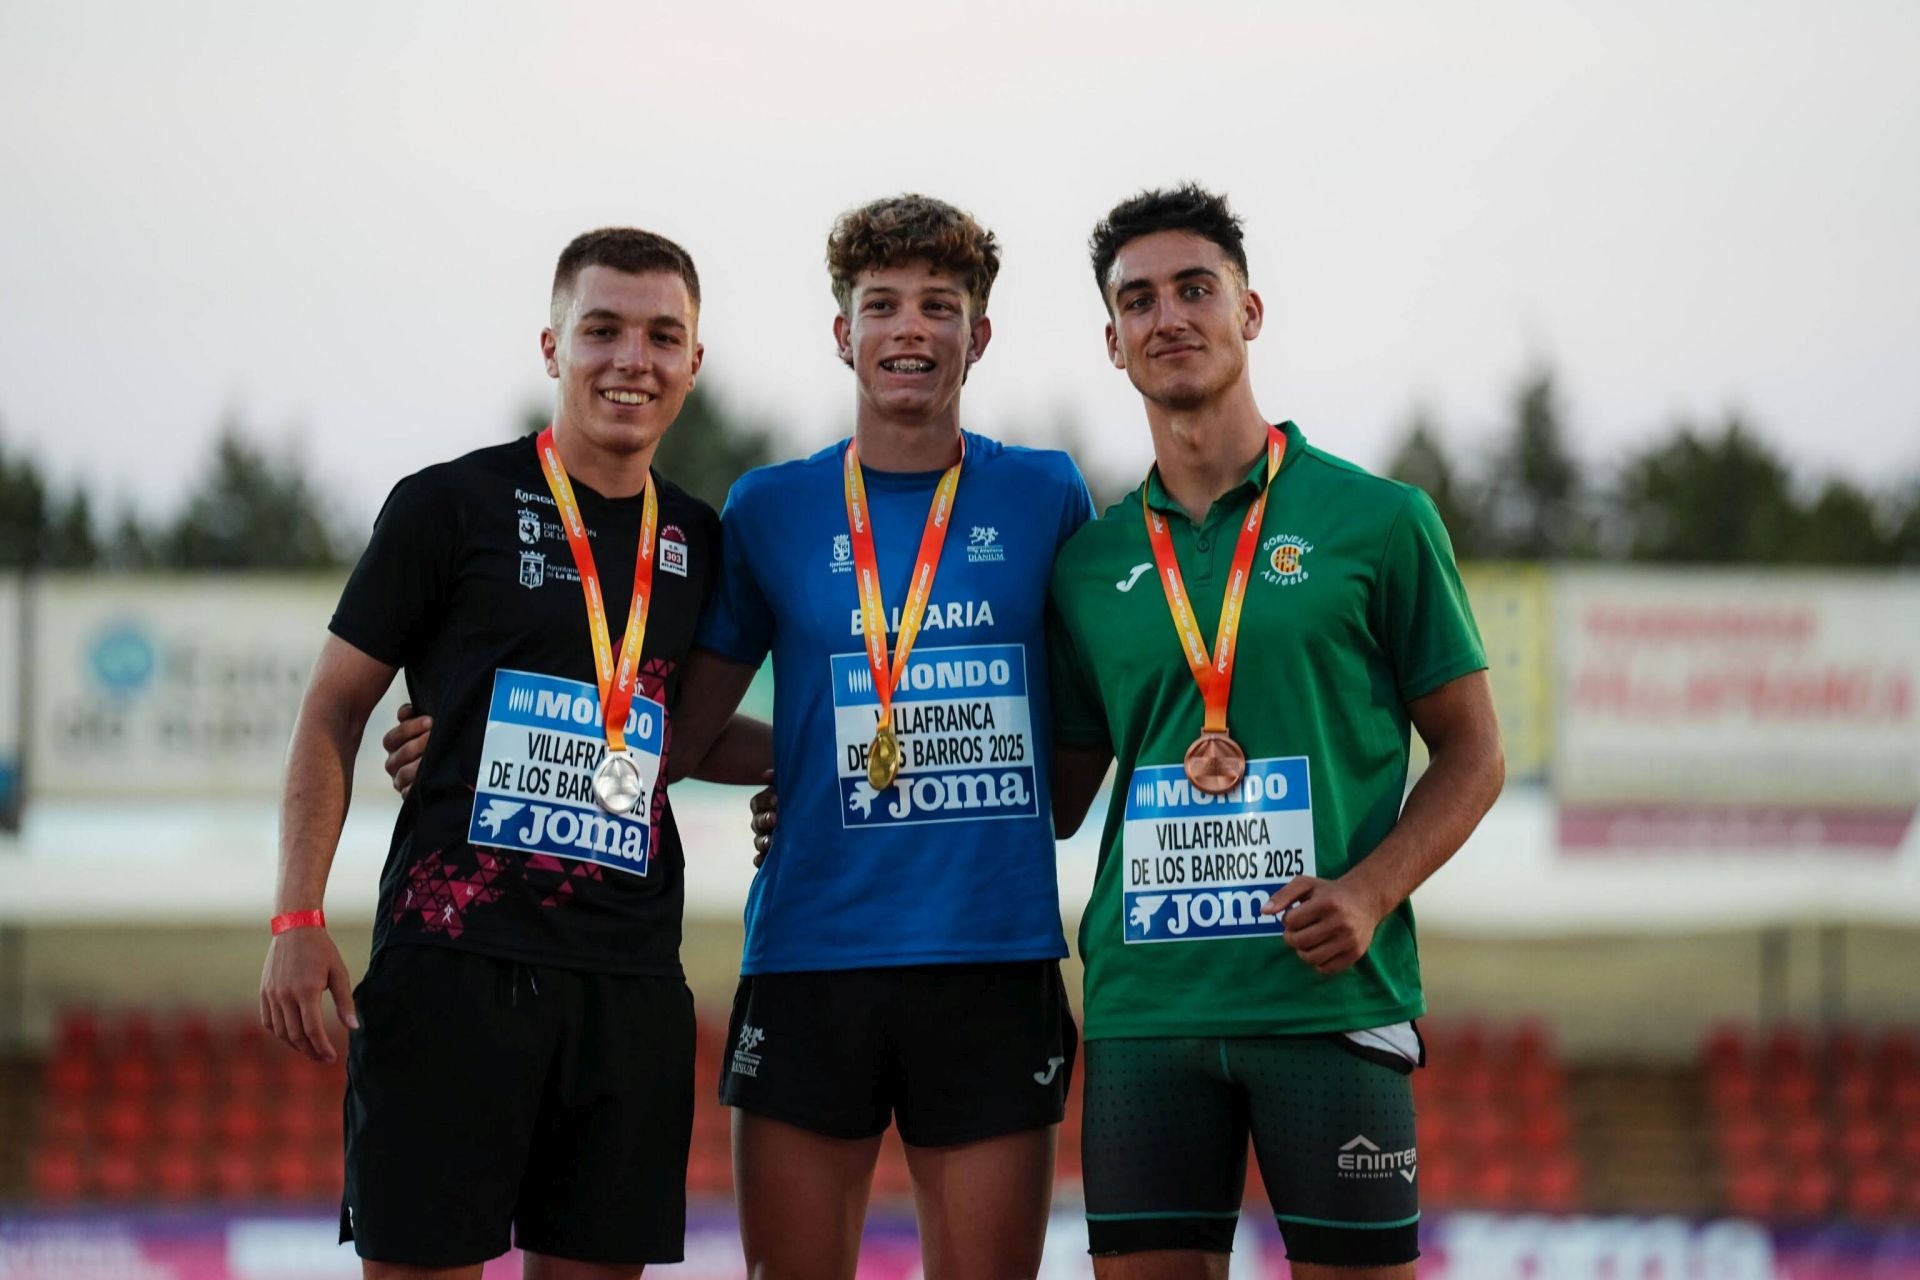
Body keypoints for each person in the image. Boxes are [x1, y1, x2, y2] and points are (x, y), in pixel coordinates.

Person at [386, 195, 1095, 1280]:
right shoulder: (769, 508)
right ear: (842, 330)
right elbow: (674, 727)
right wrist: (471, 738)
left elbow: (1090, 705)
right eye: (882, 304)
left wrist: (1052, 798)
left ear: (978, 333)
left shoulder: (1048, 493)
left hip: (991, 959)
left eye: (939, 307)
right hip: (811, 956)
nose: (910, 328)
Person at [261, 227, 768, 1280]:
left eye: (663, 335)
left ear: (695, 362)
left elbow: (683, 734)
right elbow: (332, 711)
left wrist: (830, 755)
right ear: (551, 345)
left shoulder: (705, 541)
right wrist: (298, 912)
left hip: (627, 982)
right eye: (604, 330)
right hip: (453, 969)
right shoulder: (450, 506)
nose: (634, 358)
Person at [1043, 185, 1505, 1279]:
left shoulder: (1380, 521)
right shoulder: (1087, 563)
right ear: (1113, 341)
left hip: (1326, 1002)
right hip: (1144, 1009)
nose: (1171, 317)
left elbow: (1477, 753)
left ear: (1250, 311)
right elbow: (1054, 792)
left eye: (1196, 288)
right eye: (1140, 299)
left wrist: (1371, 889)